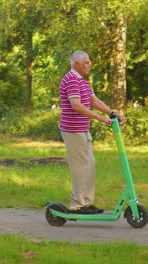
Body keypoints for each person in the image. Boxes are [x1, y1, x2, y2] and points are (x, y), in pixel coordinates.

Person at [59, 50, 124, 214]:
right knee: (80, 166)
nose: (90, 65)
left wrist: (111, 113)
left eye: (89, 62)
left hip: (82, 129)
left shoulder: (82, 81)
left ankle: (86, 203)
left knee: (89, 164)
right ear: (76, 64)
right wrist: (101, 119)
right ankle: (77, 205)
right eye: (86, 62)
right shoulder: (72, 80)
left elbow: (93, 100)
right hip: (73, 130)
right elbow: (76, 105)